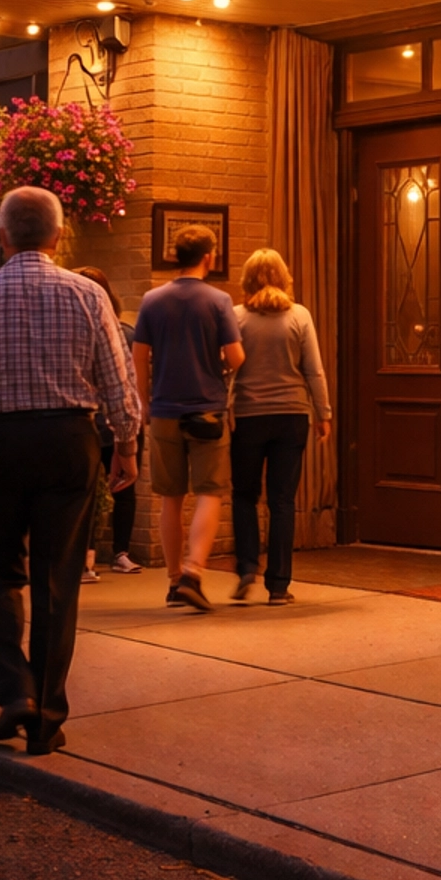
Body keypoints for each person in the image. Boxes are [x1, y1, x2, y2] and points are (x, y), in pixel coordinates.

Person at [0, 186, 140, 754]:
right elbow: (117, 381)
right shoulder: (87, 294)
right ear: (58, 236)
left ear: (3, 236)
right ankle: (47, 717)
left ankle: (14, 691)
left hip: (2, 442)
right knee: (57, 579)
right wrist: (125, 445)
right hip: (69, 439)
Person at [132, 226, 243, 613]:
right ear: (208, 258)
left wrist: (145, 402)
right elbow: (235, 357)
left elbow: (139, 357)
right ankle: (195, 572)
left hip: (164, 410)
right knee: (210, 491)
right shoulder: (218, 300)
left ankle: (173, 579)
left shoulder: (151, 300)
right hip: (208, 408)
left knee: (170, 498)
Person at [230, 249, 331, 606]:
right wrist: (323, 413)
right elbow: (313, 369)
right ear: (283, 277)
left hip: (248, 416)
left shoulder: (236, 316)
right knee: (282, 500)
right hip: (291, 416)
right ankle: (278, 585)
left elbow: (226, 366)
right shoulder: (299, 315)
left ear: (247, 280)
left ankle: (245, 568)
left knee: (244, 495)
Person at [73, 266, 141, 578]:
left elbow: (129, 381)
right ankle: (95, 555)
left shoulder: (124, 333)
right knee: (102, 490)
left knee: (112, 489)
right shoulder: (81, 334)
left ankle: (116, 553)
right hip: (97, 423)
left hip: (105, 422)